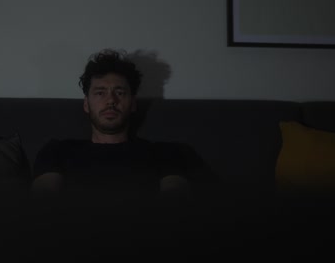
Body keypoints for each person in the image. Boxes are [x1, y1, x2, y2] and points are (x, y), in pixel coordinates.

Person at [31, 49, 213, 205]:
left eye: (120, 92)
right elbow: (43, 201)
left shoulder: (164, 152)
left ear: (133, 104)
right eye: (100, 93)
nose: (111, 100)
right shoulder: (58, 151)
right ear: (86, 104)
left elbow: (176, 198)